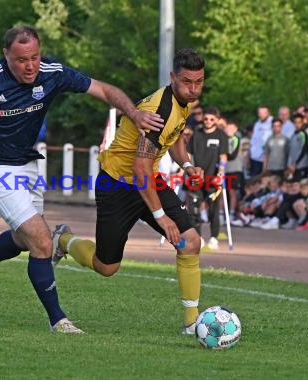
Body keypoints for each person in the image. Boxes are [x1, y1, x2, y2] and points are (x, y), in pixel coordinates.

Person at [0, 26, 164, 334]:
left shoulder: (52, 72)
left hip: (27, 163)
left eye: (35, 57)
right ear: (6, 56)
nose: (30, 66)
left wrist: (134, 114)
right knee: (42, 241)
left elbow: (104, 90)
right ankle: (59, 320)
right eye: (21, 60)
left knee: (25, 239)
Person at [49, 48, 205, 335]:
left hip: (147, 179)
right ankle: (63, 240)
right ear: (172, 78)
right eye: (187, 82)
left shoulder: (186, 101)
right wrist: (161, 216)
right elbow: (140, 169)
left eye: (199, 82)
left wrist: (187, 165)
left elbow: (176, 136)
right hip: (118, 184)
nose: (193, 89)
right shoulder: (158, 111)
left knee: (190, 242)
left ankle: (192, 323)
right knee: (106, 267)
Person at [186, 106, 228, 250]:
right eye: (206, 119)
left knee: (213, 209)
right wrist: (183, 170)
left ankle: (214, 237)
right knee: (194, 208)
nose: (208, 121)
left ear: (216, 120)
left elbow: (223, 157)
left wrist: (220, 174)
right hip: (196, 178)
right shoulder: (196, 134)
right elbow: (188, 155)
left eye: (211, 119)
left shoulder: (221, 135)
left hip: (212, 179)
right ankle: (198, 238)